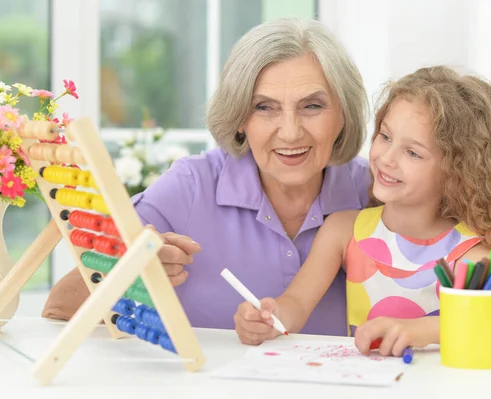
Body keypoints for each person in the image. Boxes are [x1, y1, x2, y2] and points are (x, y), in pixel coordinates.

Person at [42, 17, 370, 336]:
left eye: (312, 106)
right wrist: (129, 273)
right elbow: (58, 308)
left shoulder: (373, 192)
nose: (290, 132)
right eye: (264, 107)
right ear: (239, 117)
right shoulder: (191, 187)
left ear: (343, 114)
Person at [232, 65, 491, 353]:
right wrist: (270, 317)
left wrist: (424, 331)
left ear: (455, 172)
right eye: (385, 136)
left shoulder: (469, 255)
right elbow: (295, 304)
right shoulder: (345, 230)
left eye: (412, 152)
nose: (387, 157)